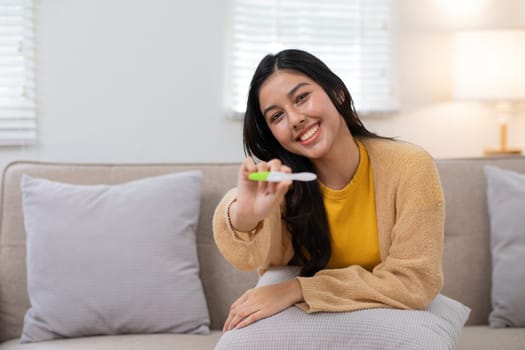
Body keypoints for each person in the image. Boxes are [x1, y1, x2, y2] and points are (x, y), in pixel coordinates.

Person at [212, 49, 444, 332]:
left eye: (301, 98)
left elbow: (414, 281)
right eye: (276, 116)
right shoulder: (281, 184)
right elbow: (245, 257)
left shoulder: (410, 166)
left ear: (337, 92)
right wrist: (245, 216)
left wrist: (298, 289)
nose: (295, 118)